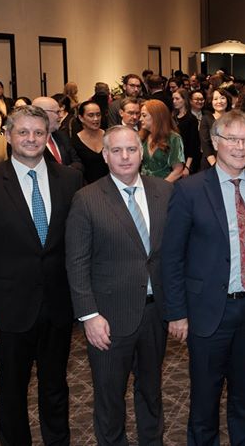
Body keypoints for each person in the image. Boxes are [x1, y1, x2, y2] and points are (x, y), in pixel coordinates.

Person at [0, 105, 84, 445]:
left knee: (56, 386)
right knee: (12, 391)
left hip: (58, 305)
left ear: (48, 136)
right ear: (8, 136)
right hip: (6, 310)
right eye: (23, 132)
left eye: (39, 133)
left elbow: (78, 243)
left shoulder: (70, 179)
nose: (31, 139)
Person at [161, 109, 245, 445]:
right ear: (216, 142)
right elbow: (171, 257)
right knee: (205, 399)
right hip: (207, 310)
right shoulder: (189, 190)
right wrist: (176, 312)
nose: (241, 147)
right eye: (232, 139)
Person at [66, 125, 174, 444]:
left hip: (156, 314)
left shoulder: (164, 192)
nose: (125, 157)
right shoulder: (86, 199)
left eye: (131, 150)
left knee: (151, 392)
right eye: (117, 151)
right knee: (110, 398)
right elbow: (76, 262)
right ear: (105, 155)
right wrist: (89, 316)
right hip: (108, 319)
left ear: (141, 153)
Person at [139, 99, 185, 182]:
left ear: (156, 116)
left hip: (165, 187)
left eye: (144, 115)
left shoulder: (174, 138)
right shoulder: (143, 137)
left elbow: (178, 171)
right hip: (145, 186)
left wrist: (162, 187)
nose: (140, 119)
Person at [34, 96, 83, 172]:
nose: (60, 116)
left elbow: (78, 163)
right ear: (42, 113)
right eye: (57, 112)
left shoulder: (62, 136)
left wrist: (65, 172)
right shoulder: (30, 142)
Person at [71, 100, 110, 184]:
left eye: (98, 115)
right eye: (91, 115)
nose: (96, 119)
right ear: (81, 118)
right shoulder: (74, 142)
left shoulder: (109, 137)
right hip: (86, 189)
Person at [199, 87, 231, 170]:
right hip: (211, 163)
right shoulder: (206, 119)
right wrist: (215, 166)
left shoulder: (234, 119)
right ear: (211, 102)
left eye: (222, 98)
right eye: (215, 99)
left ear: (227, 100)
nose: (219, 101)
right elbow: (206, 144)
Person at [173, 88, 201, 175]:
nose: (174, 101)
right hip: (173, 159)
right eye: (173, 99)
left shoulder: (191, 119)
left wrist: (188, 166)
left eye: (177, 99)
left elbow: (193, 144)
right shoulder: (173, 117)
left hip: (186, 160)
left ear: (184, 100)